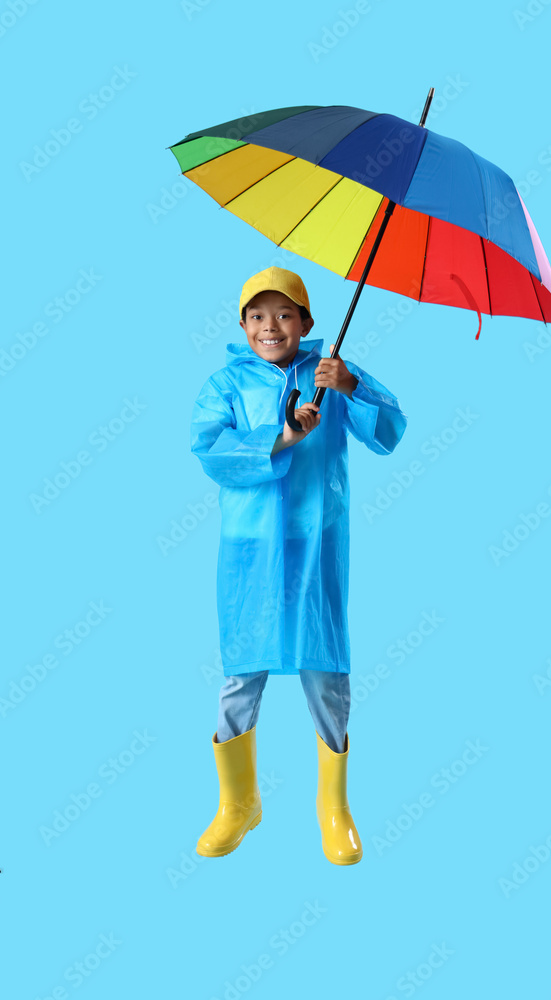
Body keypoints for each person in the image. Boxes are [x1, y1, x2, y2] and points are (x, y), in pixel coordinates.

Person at [190, 266, 407, 864]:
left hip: (317, 544)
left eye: (284, 314)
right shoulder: (224, 383)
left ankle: (333, 808)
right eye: (257, 315)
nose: (270, 326)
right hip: (249, 551)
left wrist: (353, 385)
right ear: (241, 324)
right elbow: (210, 450)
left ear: (307, 323)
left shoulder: (330, 373)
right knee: (241, 674)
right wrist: (280, 438)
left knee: (325, 672)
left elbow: (389, 432)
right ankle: (238, 804)